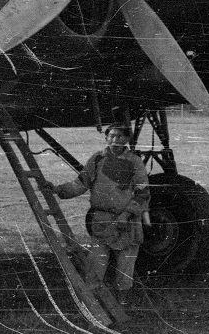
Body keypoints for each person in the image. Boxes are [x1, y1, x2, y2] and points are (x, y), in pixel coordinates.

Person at [53, 124, 151, 303]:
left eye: (120, 136)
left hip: (127, 225)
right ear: (106, 138)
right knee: (95, 267)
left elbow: (143, 193)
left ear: (127, 139)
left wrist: (125, 215)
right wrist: (58, 189)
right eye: (112, 136)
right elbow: (81, 183)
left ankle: (123, 306)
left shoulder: (134, 162)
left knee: (124, 269)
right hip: (102, 221)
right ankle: (93, 306)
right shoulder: (97, 159)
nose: (115, 140)